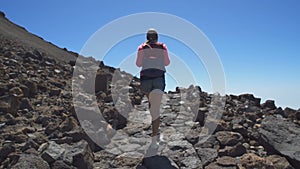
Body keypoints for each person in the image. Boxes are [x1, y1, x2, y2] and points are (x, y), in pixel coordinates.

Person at [136, 28, 170, 149]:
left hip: (145, 80)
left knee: (152, 106)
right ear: (157, 37)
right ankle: (154, 137)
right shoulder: (162, 47)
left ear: (147, 36)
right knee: (155, 109)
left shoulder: (142, 47)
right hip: (158, 79)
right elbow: (167, 63)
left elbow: (138, 64)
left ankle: (154, 126)